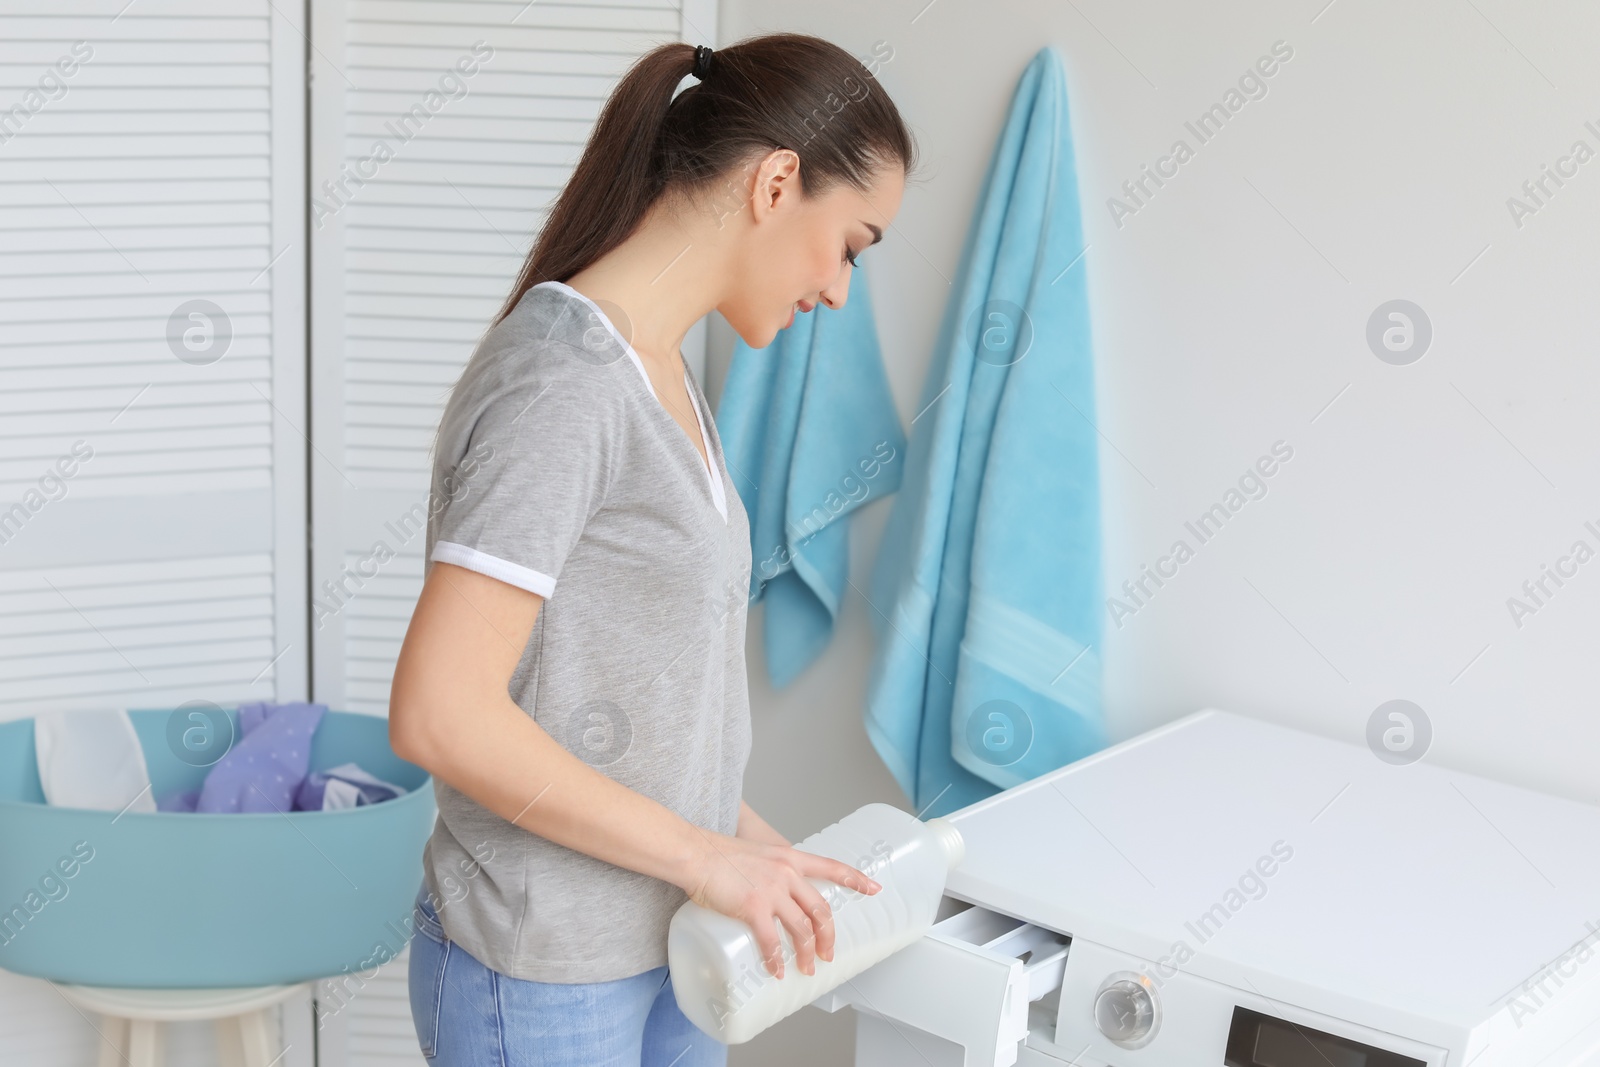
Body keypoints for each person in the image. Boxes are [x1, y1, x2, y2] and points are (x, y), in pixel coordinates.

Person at [387, 31, 916, 1067]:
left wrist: (748, 845)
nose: (841, 289)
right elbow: (440, 711)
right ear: (775, 182)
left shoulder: (660, 371)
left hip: (665, 947)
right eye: (850, 243)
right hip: (543, 972)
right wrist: (702, 855)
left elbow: (632, 697)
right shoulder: (565, 383)